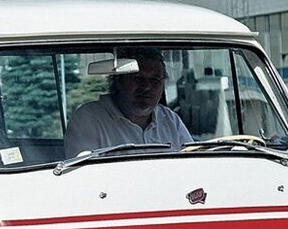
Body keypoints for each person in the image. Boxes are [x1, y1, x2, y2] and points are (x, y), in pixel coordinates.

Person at [64, 47, 192, 156]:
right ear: (118, 81)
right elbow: (83, 176)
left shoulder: (169, 119)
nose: (146, 86)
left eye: (154, 80)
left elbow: (192, 162)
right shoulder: (89, 119)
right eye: (137, 78)